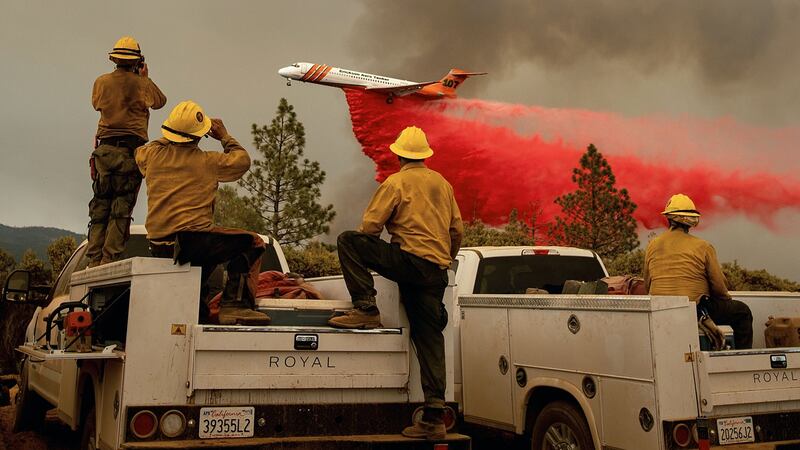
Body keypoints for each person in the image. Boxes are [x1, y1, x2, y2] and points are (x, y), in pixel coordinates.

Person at [328, 126, 463, 440]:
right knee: (430, 340)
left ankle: (365, 307)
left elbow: (369, 229)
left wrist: (378, 252)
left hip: (409, 264)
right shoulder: (442, 184)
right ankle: (433, 418)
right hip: (435, 273)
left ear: (399, 155)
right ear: (425, 156)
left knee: (349, 240)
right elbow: (456, 230)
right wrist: (444, 259)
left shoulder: (396, 182)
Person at [135, 100, 271, 326]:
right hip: (194, 243)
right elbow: (242, 161)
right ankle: (236, 306)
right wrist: (224, 136)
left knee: (195, 297)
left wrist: (172, 132)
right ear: (200, 135)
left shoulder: (152, 157)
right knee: (253, 243)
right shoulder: (209, 162)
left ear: (169, 131)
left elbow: (142, 150)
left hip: (160, 246)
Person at [88, 36, 166, 267]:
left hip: (104, 152)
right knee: (120, 209)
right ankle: (109, 258)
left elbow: (96, 104)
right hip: (130, 153)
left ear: (114, 58)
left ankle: (93, 259)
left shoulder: (100, 82)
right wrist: (145, 78)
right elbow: (160, 101)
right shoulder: (143, 85)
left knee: (100, 206)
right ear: (137, 61)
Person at [644, 193, 753, 349]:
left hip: (660, 310)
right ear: (691, 221)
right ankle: (744, 362)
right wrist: (723, 300)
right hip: (693, 310)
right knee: (742, 311)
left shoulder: (652, 245)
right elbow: (719, 287)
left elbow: (648, 284)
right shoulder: (703, 246)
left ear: (668, 218)